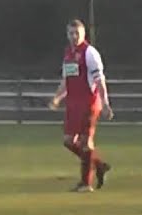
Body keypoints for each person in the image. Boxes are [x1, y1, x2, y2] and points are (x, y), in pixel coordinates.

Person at [48, 19, 113, 192]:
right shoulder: (68, 53)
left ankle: (85, 183)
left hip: (89, 103)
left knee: (85, 142)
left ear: (84, 34)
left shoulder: (90, 53)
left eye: (77, 33)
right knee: (69, 141)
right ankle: (98, 165)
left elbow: (100, 81)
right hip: (73, 104)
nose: (74, 36)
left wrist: (105, 103)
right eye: (71, 33)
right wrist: (57, 98)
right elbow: (66, 81)